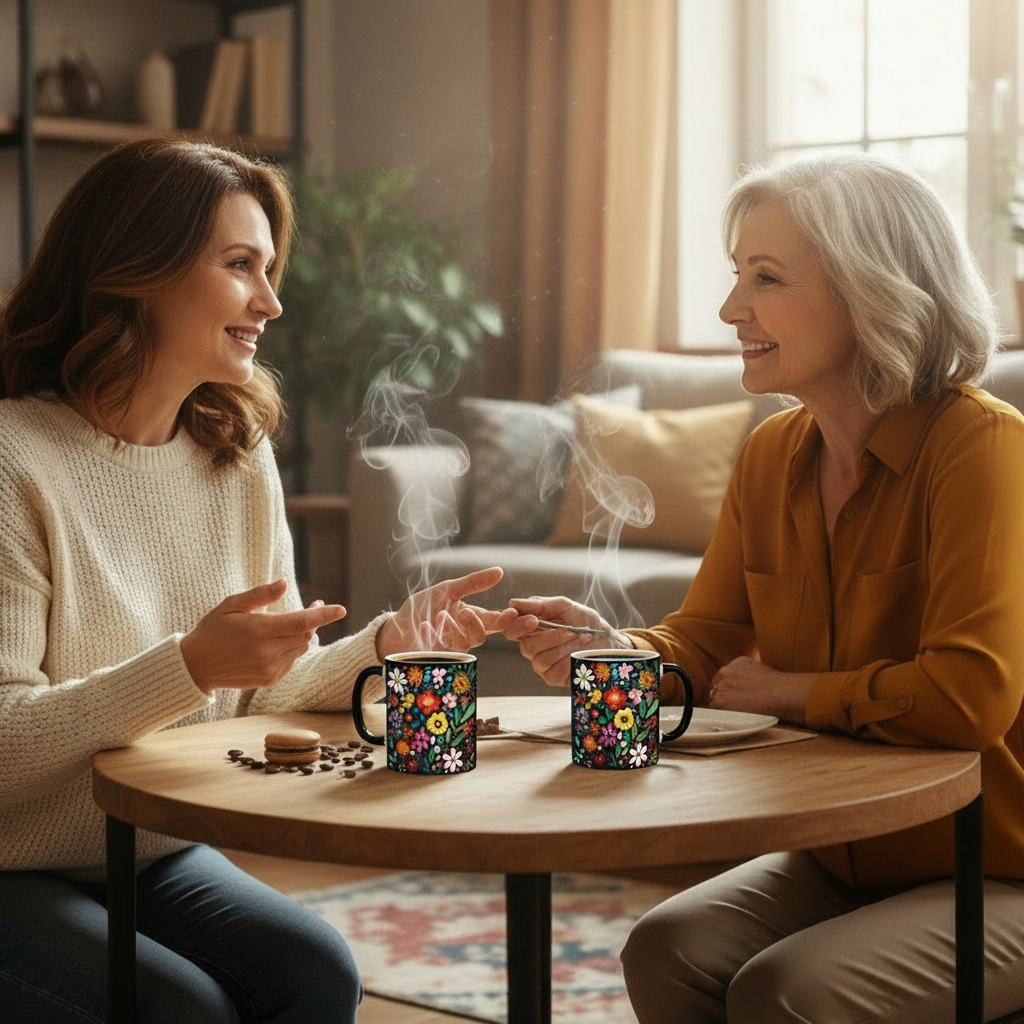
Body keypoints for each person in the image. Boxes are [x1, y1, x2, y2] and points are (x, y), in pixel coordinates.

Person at [0, 138, 516, 1024]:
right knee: (184, 1009)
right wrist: (188, 666)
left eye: (268, 270)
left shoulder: (234, 457)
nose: (270, 302)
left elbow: (266, 693)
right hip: (12, 864)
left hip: (151, 848)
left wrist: (386, 647)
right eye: (240, 266)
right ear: (137, 271)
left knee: (316, 972)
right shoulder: (15, 460)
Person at [503, 152, 1024, 1022]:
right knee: (665, 950)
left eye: (766, 278)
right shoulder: (772, 456)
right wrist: (616, 652)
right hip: (844, 850)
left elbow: (970, 697)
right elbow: (704, 644)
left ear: (871, 289)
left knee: (786, 994)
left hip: (998, 864)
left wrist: (790, 692)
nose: (730, 309)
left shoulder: (982, 446)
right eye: (736, 274)